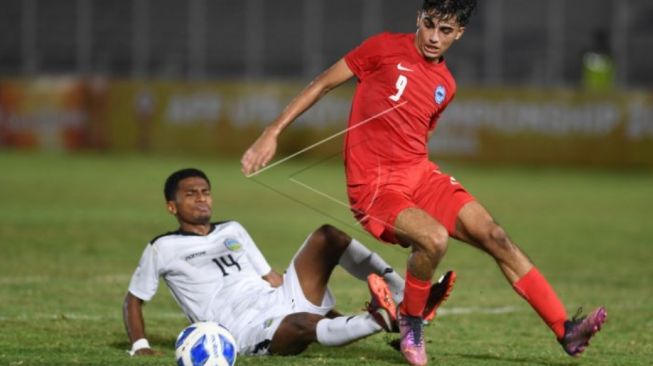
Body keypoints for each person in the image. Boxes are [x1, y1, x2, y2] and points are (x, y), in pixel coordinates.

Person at [241, 1, 607, 365]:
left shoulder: (446, 85)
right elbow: (321, 84)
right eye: (429, 24)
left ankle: (566, 329)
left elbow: (418, 136)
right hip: (375, 188)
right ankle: (411, 323)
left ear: (459, 33)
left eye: (445, 31)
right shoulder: (381, 47)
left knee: (495, 236)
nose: (433, 37)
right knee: (433, 238)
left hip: (420, 175)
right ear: (419, 18)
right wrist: (271, 132)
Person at [122, 168, 454, 358]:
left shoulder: (232, 229)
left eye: (205, 191)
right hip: (240, 328)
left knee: (327, 236)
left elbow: (272, 278)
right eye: (190, 194)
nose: (201, 198)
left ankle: (406, 296)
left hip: (274, 299)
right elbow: (133, 300)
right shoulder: (162, 247)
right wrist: (140, 346)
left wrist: (326, 309)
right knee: (302, 325)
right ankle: (384, 320)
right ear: (171, 206)